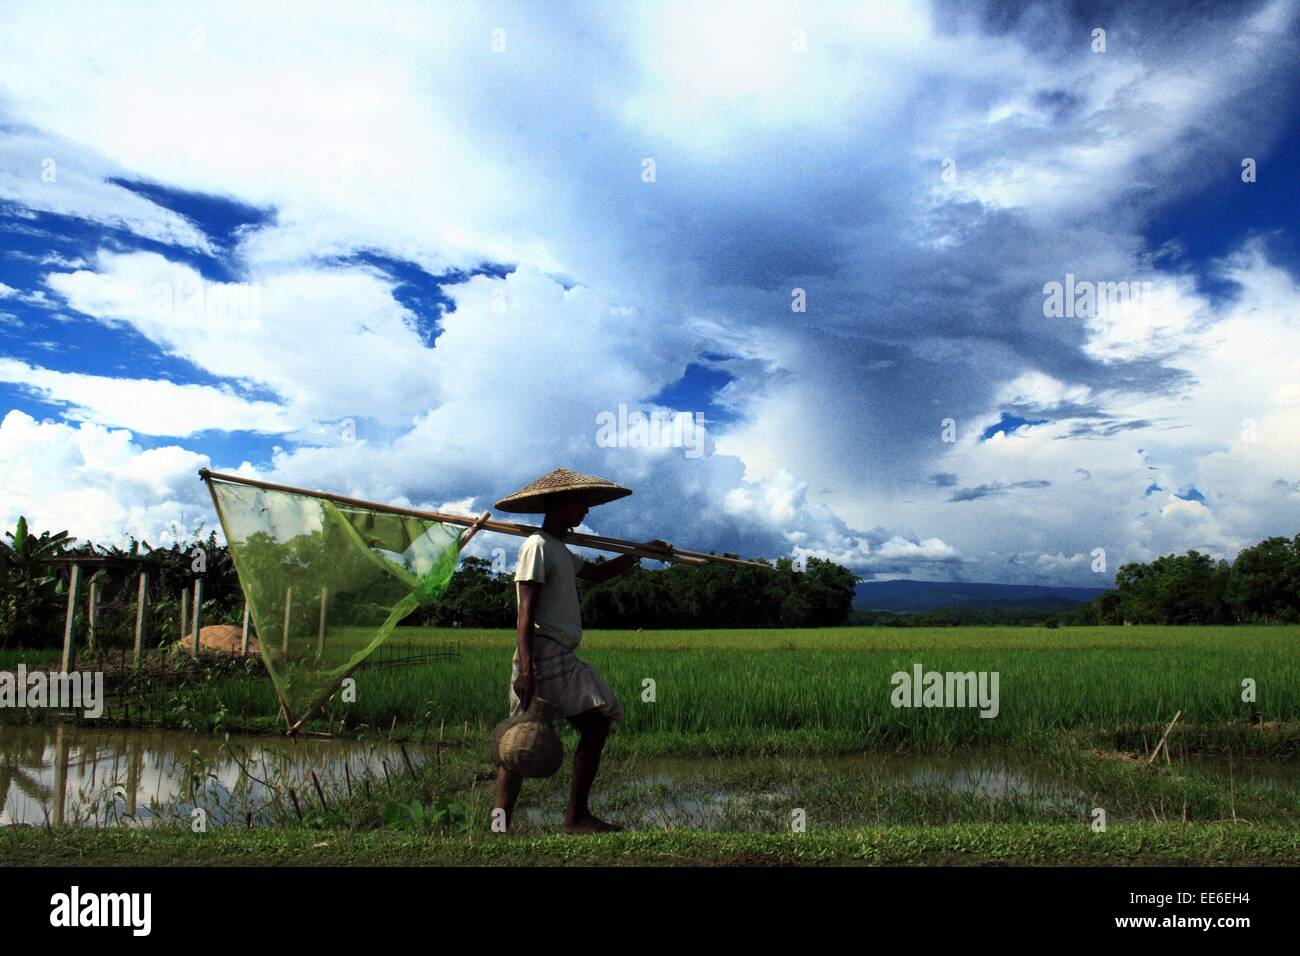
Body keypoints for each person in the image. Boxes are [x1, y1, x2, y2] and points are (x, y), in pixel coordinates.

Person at [491, 467, 669, 834]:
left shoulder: (558, 549)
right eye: (580, 503)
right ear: (559, 504)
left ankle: (570, 817)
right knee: (521, 741)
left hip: (557, 654)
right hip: (542, 654)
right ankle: (521, 823)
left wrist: (640, 552)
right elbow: (525, 614)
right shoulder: (536, 546)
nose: (585, 512)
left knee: (549, 732)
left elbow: (598, 575)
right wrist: (526, 670)